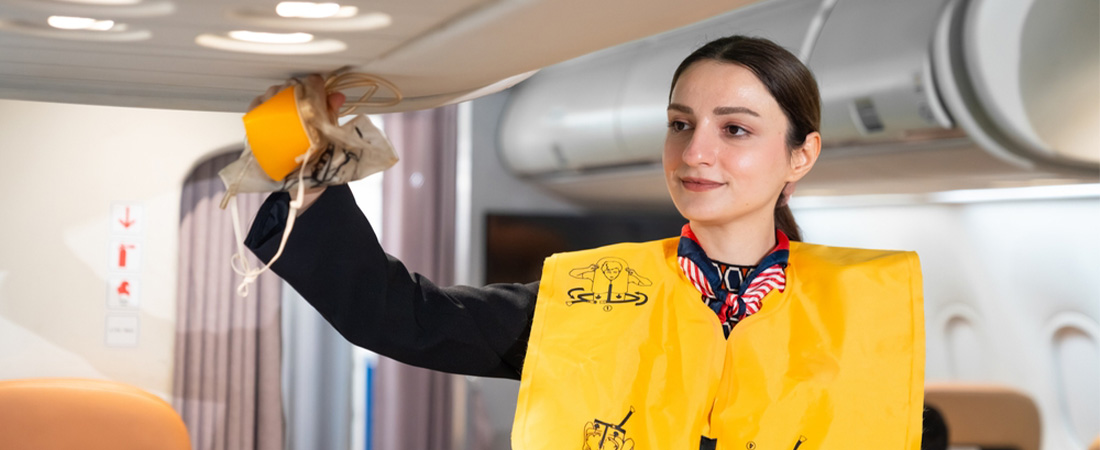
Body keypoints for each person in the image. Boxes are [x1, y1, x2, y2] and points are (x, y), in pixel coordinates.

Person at [245, 35, 925, 449]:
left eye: (735, 130)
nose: (696, 152)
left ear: (801, 155)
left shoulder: (865, 314)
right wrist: (307, 172)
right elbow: (401, 316)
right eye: (681, 124)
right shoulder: (591, 303)